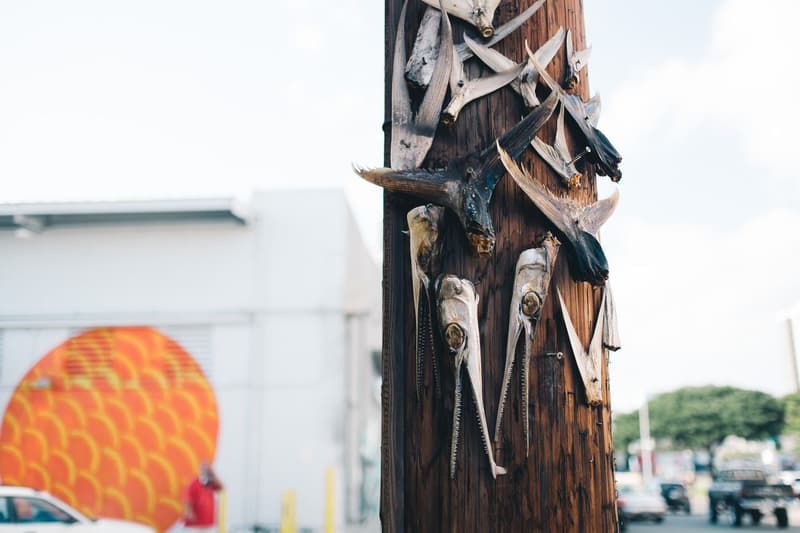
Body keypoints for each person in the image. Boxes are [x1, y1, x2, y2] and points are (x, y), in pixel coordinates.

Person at [183, 461, 223, 532]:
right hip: (197, 521)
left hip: (208, 520)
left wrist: (213, 474)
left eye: (207, 469)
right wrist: (189, 512)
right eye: (204, 469)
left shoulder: (210, 483)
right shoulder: (194, 483)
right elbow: (188, 500)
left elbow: (220, 487)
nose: (205, 471)